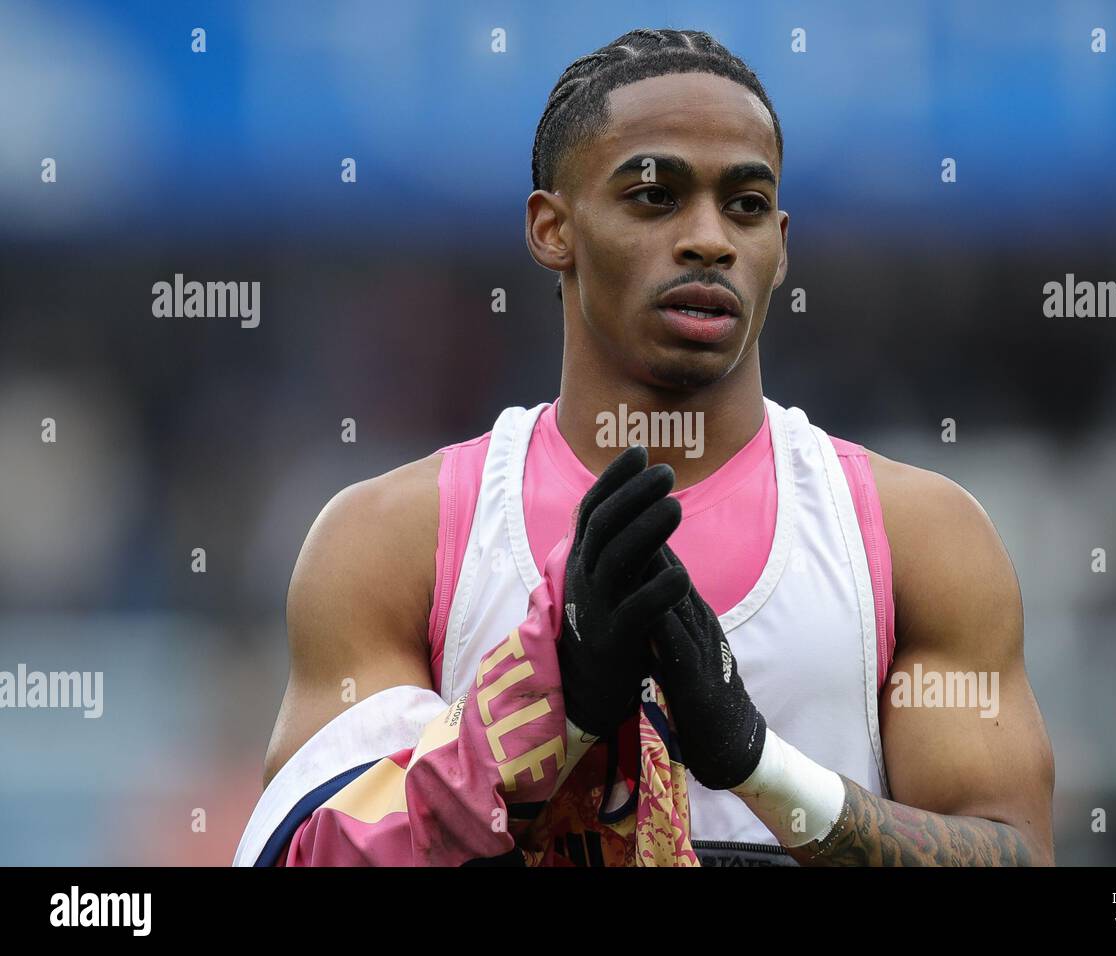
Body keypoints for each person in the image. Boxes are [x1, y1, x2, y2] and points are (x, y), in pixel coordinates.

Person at [237, 27, 1054, 867]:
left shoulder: (920, 536)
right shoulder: (388, 543)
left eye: (743, 206)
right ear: (551, 228)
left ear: (780, 246)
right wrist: (552, 714)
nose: (709, 239)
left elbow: (1017, 855)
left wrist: (759, 764)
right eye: (655, 197)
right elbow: (308, 857)